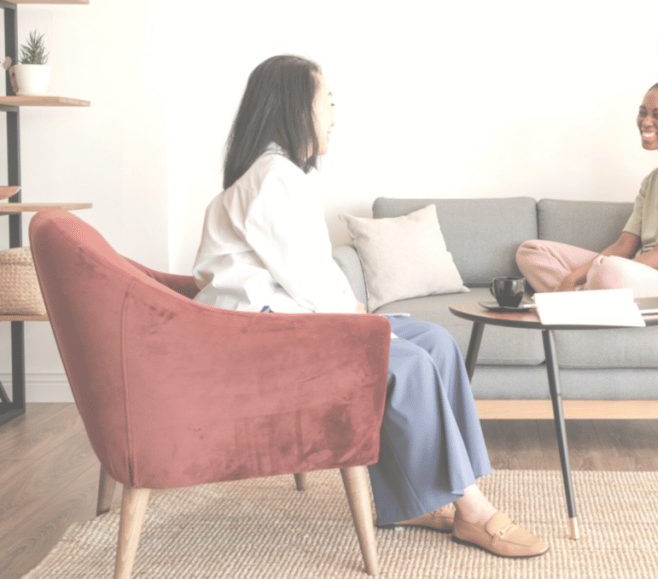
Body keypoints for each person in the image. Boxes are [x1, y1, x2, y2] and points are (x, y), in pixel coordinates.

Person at [192, 55, 548, 558]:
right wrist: (362, 321)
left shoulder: (278, 174)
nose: (335, 115)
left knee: (437, 342)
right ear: (299, 108)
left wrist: (361, 316)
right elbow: (310, 281)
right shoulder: (271, 179)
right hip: (262, 339)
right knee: (407, 360)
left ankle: (420, 497)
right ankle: (473, 511)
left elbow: (305, 277)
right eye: (328, 101)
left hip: (284, 323)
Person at [516, 62, 658, 301]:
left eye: (657, 115)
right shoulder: (651, 181)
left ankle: (579, 300)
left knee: (607, 270)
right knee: (531, 251)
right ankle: (585, 301)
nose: (646, 122)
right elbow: (624, 247)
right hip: (638, 276)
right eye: (643, 112)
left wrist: (597, 273)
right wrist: (570, 279)